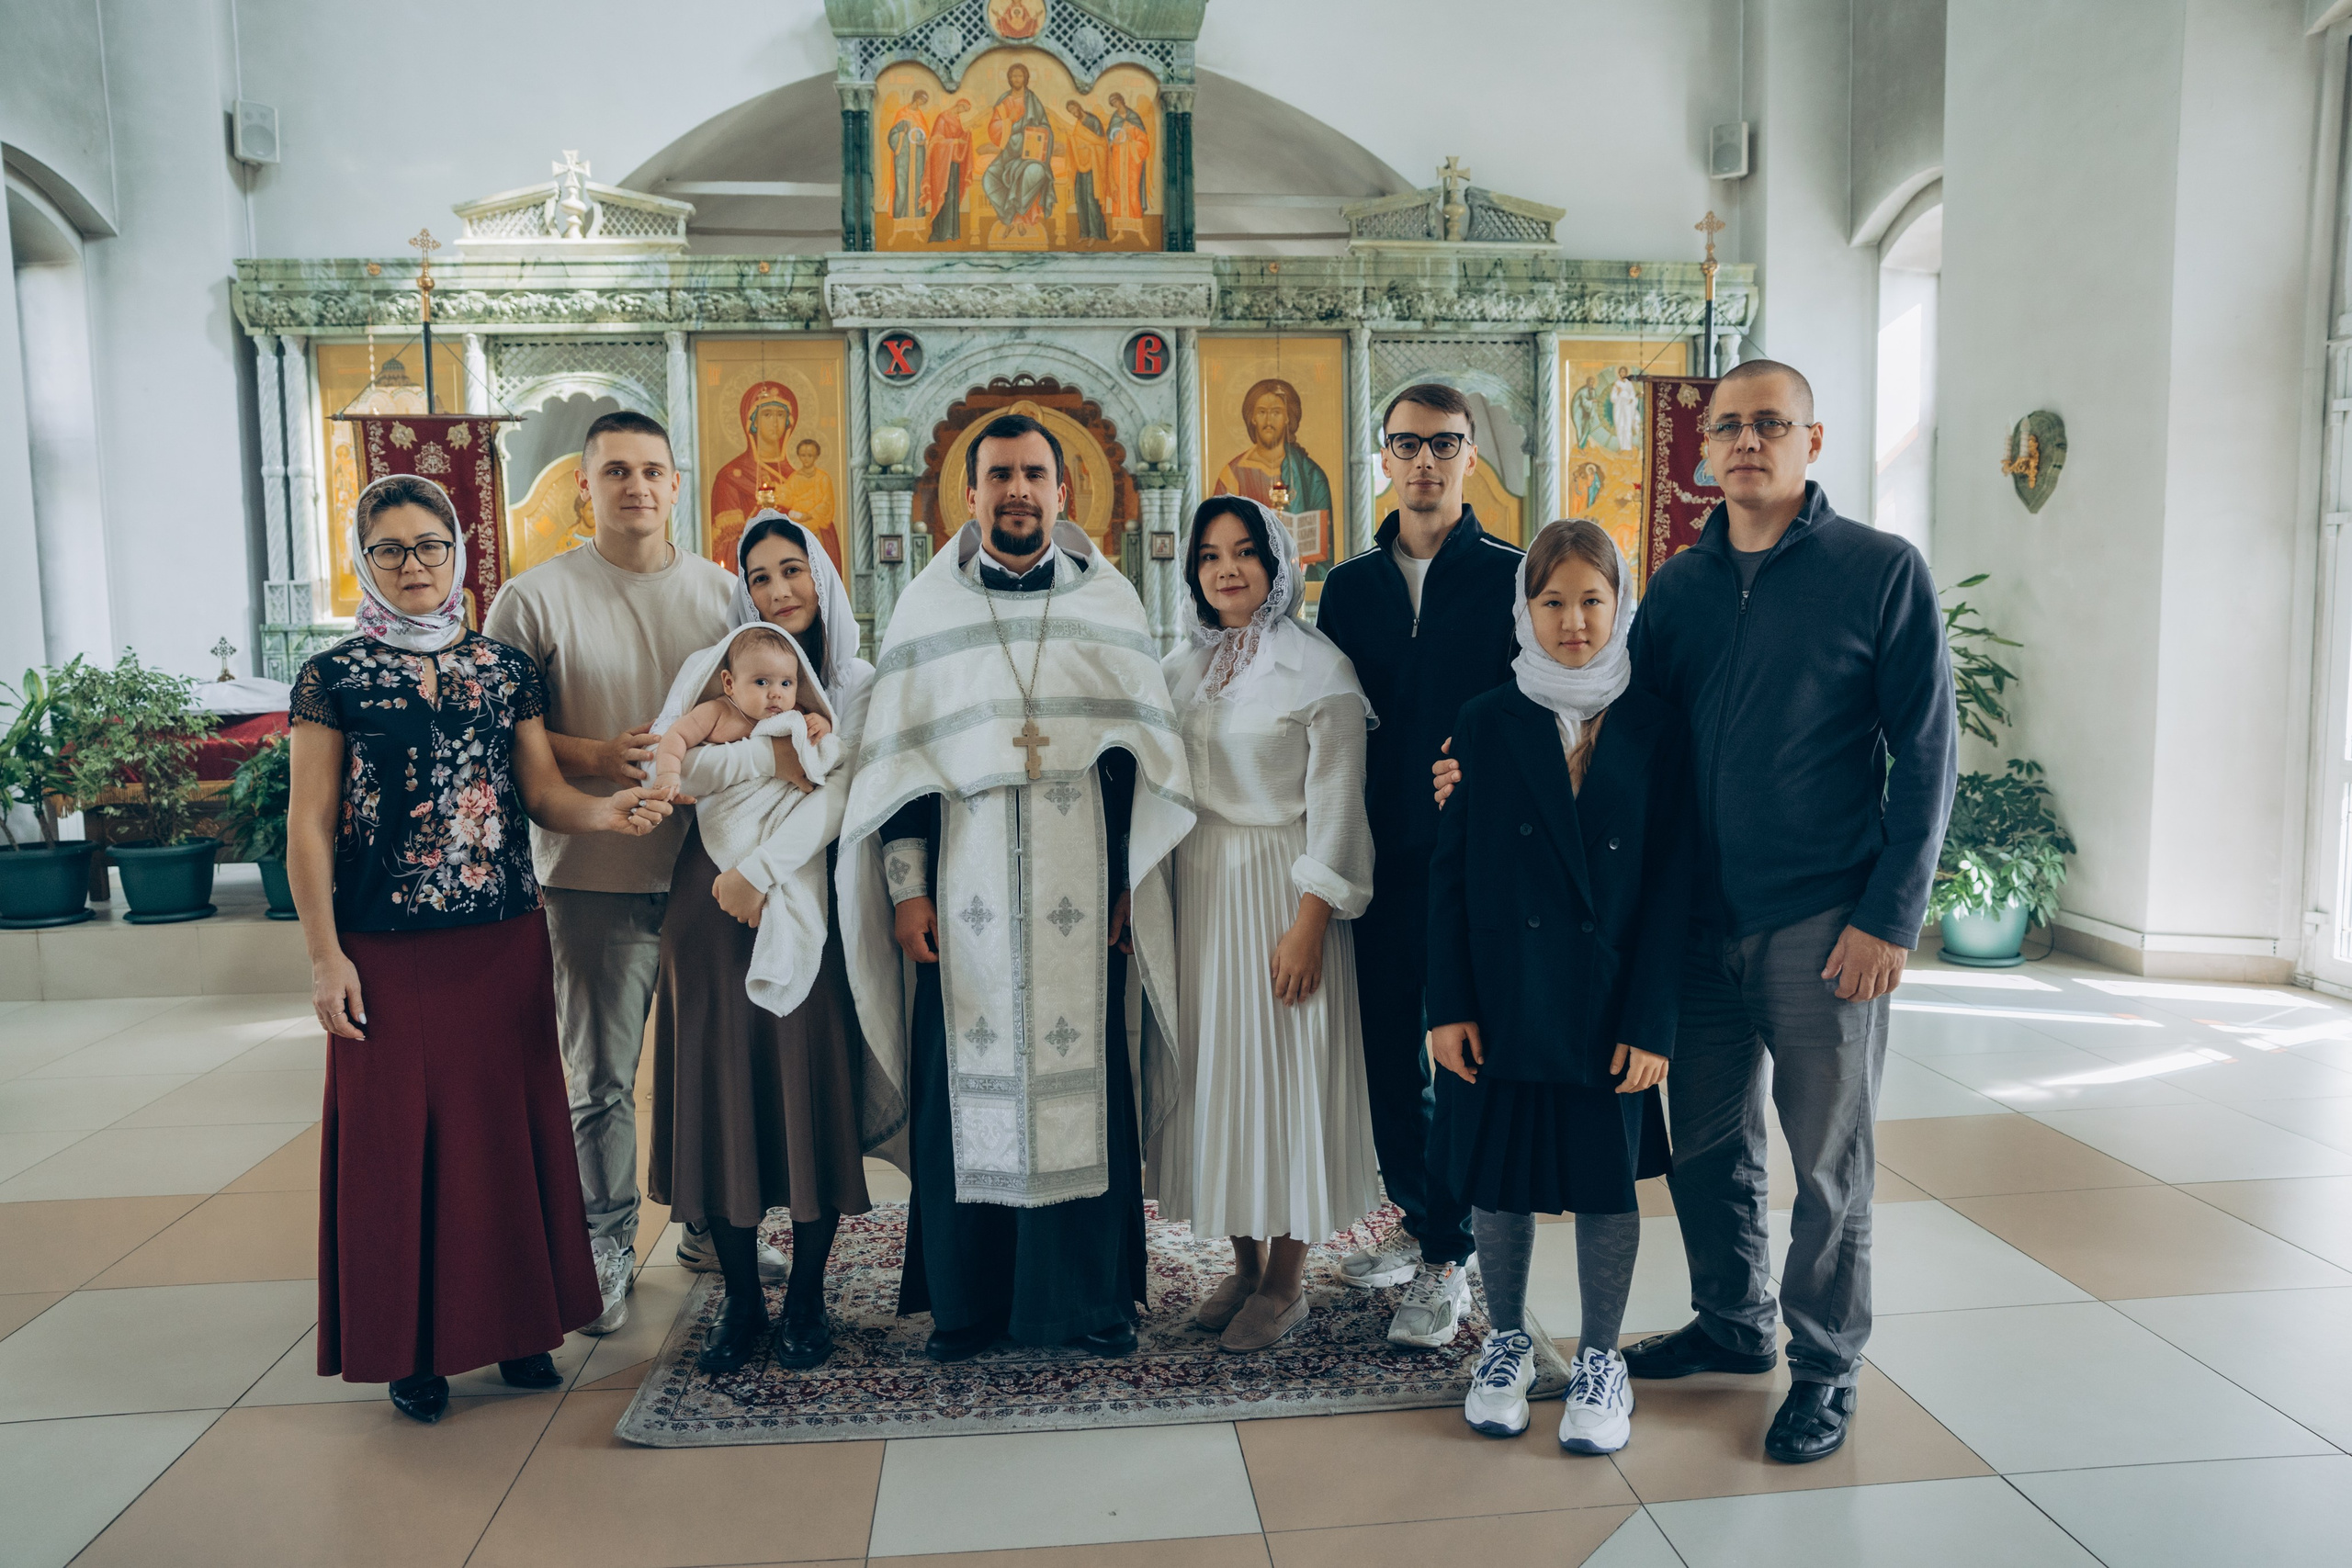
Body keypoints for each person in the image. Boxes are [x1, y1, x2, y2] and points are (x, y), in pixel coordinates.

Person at [1436, 360, 1956, 1463]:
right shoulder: (1672, 587)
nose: (1747, 443)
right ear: (1703, 450)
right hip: (1690, 924)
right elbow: (1621, 729)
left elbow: (1927, 754)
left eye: (1771, 424)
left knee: (1825, 1159)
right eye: (1728, 427)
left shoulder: (1878, 571)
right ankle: (1733, 1322)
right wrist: (1485, 776)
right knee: (1711, 1148)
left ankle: (1821, 1366)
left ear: (1812, 441)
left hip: (1823, 918)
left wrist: (1889, 918)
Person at [290, 474, 677, 1424]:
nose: (414, 566)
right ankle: (412, 1347)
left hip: (500, 934)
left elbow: (542, 794)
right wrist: (324, 957)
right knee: (398, 1147)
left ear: (458, 552)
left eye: (430, 546)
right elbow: (309, 826)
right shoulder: (334, 677)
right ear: (363, 561)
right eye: (391, 550)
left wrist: (612, 815)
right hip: (384, 943)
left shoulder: (504, 670)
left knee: (505, 1139)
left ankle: (516, 1331)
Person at [838, 413, 1193, 1360]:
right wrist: (907, 890)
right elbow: (901, 770)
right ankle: (968, 1305)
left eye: (1034, 474)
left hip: (1081, 897)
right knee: (966, 1092)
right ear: (970, 494)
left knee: (1087, 1085)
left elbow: (1134, 770)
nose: (1017, 492)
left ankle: (1091, 1301)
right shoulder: (927, 610)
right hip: (966, 896)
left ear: (1064, 491)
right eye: (998, 475)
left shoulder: (1109, 604)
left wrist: (1129, 884)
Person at [1425, 518, 1689, 1453]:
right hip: (1505, 996)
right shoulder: (1487, 719)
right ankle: (1504, 1343)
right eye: (1551, 602)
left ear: (1620, 607)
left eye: (1591, 600)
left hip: (1612, 1001)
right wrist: (1446, 1005)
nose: (1572, 621)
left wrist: (1655, 1019)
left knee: (1606, 1184)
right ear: (1523, 610)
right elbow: (1448, 877)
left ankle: (1601, 1358)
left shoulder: (1657, 724)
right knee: (1498, 1182)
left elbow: (1671, 889)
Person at [482, 410, 736, 1336]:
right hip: (592, 868)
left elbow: (757, 706)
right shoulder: (535, 598)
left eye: (653, 471)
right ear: (582, 487)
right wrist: (601, 754)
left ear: (677, 485)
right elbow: (497, 734)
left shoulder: (722, 594)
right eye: (615, 472)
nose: (636, 487)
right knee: (600, 1076)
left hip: (710, 867)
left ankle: (714, 1222)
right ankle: (606, 1241)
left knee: (709, 1062)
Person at [645, 512, 896, 1371]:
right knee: (723, 1094)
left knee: (804, 1089)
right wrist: (759, 764)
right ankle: (743, 1304)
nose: (779, 589)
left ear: (821, 578)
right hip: (706, 902)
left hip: (797, 893)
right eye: (759, 576)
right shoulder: (709, 669)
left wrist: (760, 869)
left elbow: (842, 794)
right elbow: (673, 767)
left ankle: (809, 1303)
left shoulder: (855, 680)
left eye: (793, 570)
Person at [1312, 383, 1520, 1348]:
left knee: (1463, 1054)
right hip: (1377, 863)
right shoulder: (1349, 588)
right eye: (1407, 445)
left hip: (1473, 868)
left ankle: (1452, 1253)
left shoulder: (1514, 577)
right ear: (1382, 457)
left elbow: (1553, 707)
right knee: (1384, 1057)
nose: (1425, 462)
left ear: (1470, 456)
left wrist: (1489, 764)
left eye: (1444, 444)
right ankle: (1418, 1218)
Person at [1155, 496, 1380, 1353]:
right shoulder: (1182, 669)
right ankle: (1243, 1262)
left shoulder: (1319, 669)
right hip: (1201, 891)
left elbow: (1337, 808)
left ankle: (1286, 1281)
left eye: (1245, 552)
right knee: (1216, 1077)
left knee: (1284, 1080)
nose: (1226, 569)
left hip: (1283, 892)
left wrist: (1309, 921)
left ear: (1278, 564)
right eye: (1210, 555)